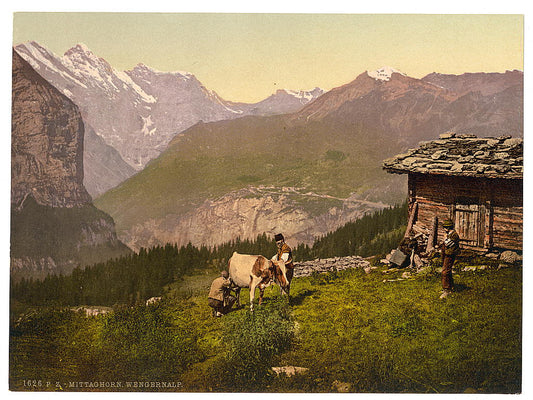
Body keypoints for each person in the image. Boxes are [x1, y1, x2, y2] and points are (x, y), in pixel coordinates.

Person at [439, 219, 460, 299]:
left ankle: (446, 290)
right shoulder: (449, 234)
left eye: (445, 227)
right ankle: (451, 287)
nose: (444, 229)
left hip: (450, 255)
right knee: (448, 271)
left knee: (445, 272)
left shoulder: (454, 235)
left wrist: (445, 238)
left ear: (448, 227)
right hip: (446, 254)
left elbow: (449, 244)